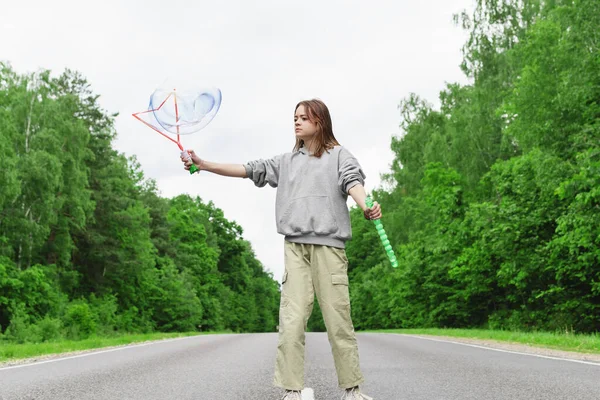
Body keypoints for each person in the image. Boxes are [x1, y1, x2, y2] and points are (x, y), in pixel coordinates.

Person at [181, 99, 380, 400]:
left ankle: (352, 391)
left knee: (338, 321)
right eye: (295, 118)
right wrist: (203, 164)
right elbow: (247, 169)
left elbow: (353, 182)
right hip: (295, 248)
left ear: (320, 122)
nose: (297, 122)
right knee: (291, 321)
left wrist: (365, 206)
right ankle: (292, 391)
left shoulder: (339, 156)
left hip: (329, 248)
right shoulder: (285, 163)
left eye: (304, 118)